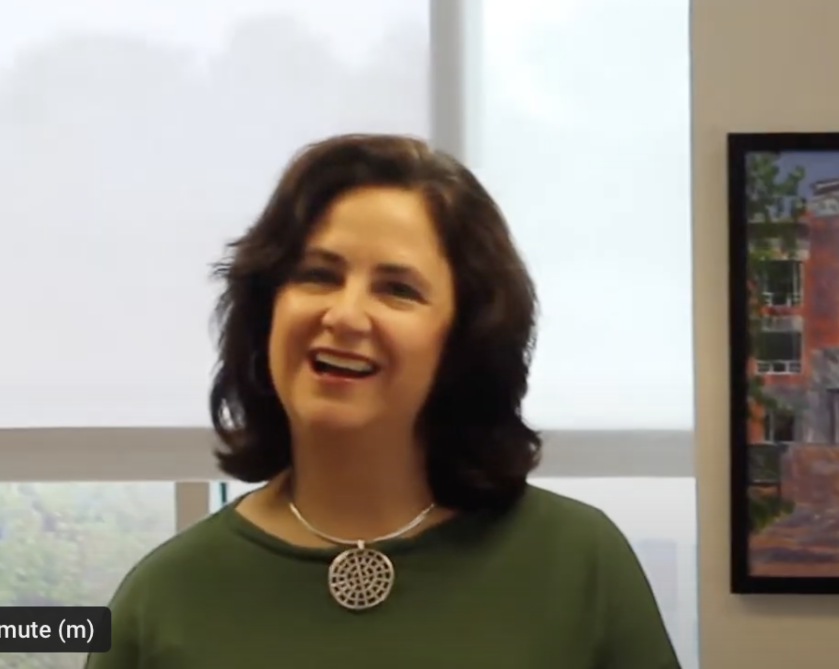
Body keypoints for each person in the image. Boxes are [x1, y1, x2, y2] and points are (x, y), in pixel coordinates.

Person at [87, 134, 682, 668]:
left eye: (397, 290)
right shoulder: (165, 599)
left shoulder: (580, 566)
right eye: (317, 274)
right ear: (267, 309)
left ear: (465, 339)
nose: (344, 315)